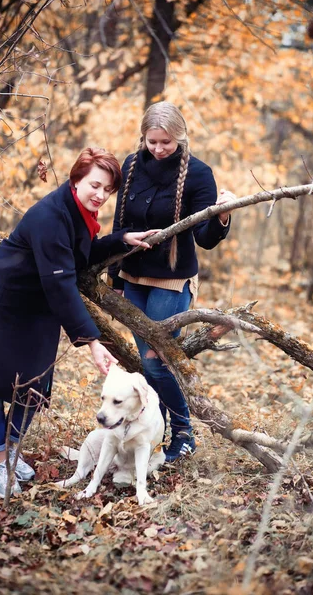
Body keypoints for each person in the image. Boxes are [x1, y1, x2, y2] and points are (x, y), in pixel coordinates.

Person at [0, 147, 154, 498]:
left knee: (31, 388)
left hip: (37, 309)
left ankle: (10, 449)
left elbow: (79, 255)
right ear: (77, 179)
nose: (100, 195)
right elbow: (61, 283)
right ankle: (1, 460)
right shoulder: (50, 216)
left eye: (107, 190)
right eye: (95, 185)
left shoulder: (78, 213)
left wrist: (120, 239)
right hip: (2, 303)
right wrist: (93, 342)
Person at [108, 102, 236, 463]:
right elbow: (120, 226)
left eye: (166, 142)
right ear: (144, 137)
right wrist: (114, 277)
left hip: (172, 280)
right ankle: (154, 432)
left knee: (154, 361)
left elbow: (205, 237)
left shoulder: (198, 174)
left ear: (179, 138)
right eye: (153, 142)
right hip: (132, 277)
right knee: (150, 365)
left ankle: (183, 432)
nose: (159, 149)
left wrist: (222, 215)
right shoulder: (132, 165)